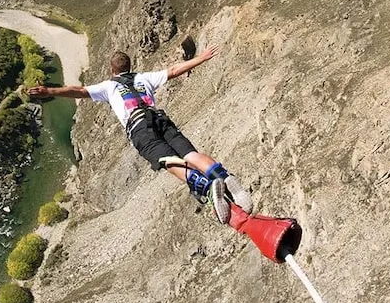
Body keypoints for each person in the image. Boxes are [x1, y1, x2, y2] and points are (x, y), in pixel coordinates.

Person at [28, 44, 253, 224]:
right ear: (129, 66)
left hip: (139, 128)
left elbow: (78, 91)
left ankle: (207, 188)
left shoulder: (108, 86)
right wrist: (201, 58)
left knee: (168, 161)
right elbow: (174, 70)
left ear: (112, 70)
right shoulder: (143, 78)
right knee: (191, 154)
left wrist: (49, 90)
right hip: (160, 118)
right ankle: (225, 178)